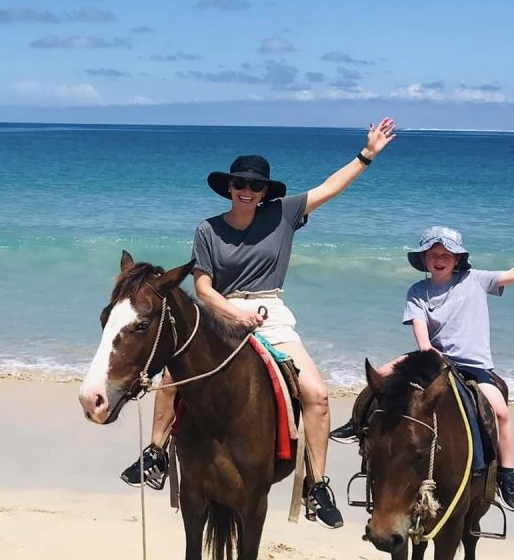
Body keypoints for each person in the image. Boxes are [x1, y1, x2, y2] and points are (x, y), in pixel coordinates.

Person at [121, 119, 397, 529]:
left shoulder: (283, 215)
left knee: (317, 395)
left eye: (254, 186)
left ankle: (317, 485)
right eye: (239, 184)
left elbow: (330, 188)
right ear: (229, 188)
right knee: (170, 378)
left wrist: (367, 154)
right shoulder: (208, 230)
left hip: (271, 313)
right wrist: (235, 314)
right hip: (218, 313)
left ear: (265, 191)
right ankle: (155, 453)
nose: (247, 191)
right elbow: (203, 287)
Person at [330, 226, 514, 509]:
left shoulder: (475, 279)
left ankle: (506, 473)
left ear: (457, 259)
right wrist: (427, 350)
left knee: (501, 411)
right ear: (424, 259)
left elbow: (510, 275)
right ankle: (359, 425)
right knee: (379, 376)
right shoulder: (418, 291)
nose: (439, 258)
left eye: (446, 254)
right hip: (432, 357)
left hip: (472, 364)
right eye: (433, 254)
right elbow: (420, 329)